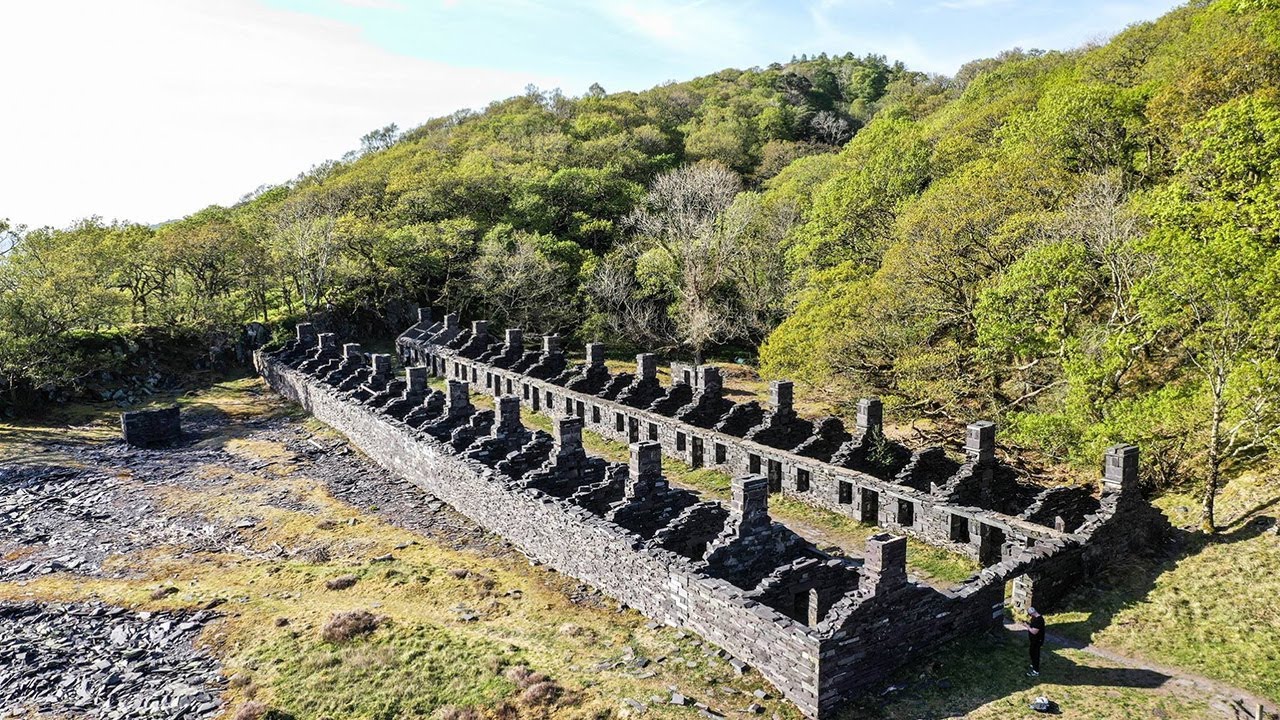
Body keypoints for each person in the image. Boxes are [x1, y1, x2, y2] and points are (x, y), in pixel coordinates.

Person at [1026, 606, 1046, 677]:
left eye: (1030, 614)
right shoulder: (1036, 618)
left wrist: (1027, 626)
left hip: (1037, 641)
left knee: (1035, 655)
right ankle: (1033, 664)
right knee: (1031, 652)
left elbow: (1034, 632)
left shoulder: (1039, 620)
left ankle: (1036, 671)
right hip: (1033, 641)